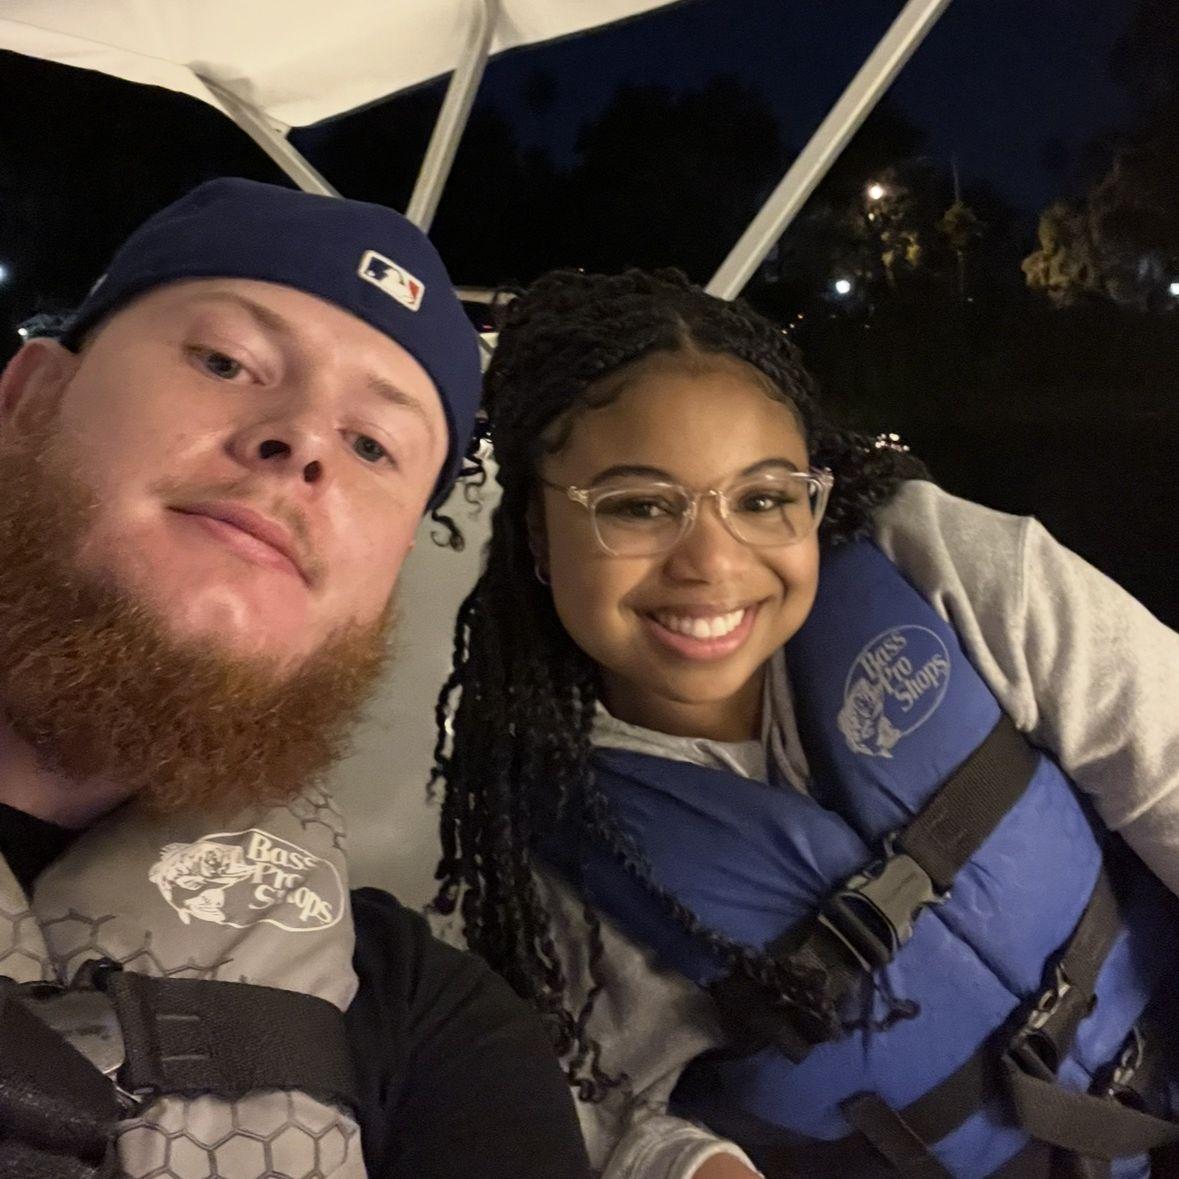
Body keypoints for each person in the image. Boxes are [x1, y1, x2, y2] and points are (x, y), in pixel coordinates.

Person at [430, 267, 1179, 1179]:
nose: (712, 562)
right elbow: (596, 1109)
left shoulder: (934, 561)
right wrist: (689, 1164)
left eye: (761, 498)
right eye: (637, 505)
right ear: (538, 538)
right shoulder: (539, 864)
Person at [0, 178, 591, 1179]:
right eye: (228, 361)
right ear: (30, 400)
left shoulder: (437, 1037)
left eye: (374, 445)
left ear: (390, 572)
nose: (305, 441)